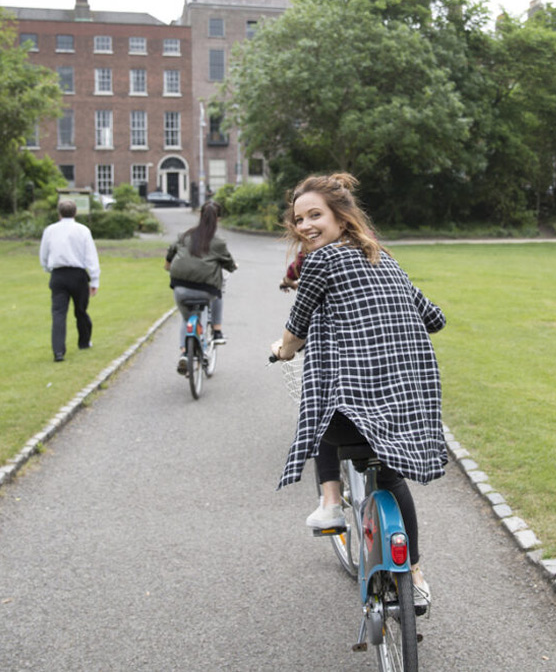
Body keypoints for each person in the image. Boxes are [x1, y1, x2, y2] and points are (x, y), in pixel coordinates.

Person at [270, 173, 446, 608]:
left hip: (349, 421)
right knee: (391, 478)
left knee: (322, 410)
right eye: (300, 219)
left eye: (316, 215)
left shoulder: (320, 262)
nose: (306, 225)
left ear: (341, 218)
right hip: (407, 405)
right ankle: (417, 573)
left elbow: (296, 329)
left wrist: (284, 350)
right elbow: (434, 317)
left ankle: (331, 503)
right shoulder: (383, 258)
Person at [165, 201, 237, 374]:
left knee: (186, 318)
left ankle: (184, 353)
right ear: (218, 218)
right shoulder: (218, 241)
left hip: (179, 286)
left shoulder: (184, 235)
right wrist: (233, 267)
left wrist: (170, 267)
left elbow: (169, 258)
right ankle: (217, 332)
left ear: (199, 215)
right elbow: (229, 264)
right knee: (217, 293)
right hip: (205, 289)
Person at [39, 199, 101, 362]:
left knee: (58, 313)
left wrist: (47, 268)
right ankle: (84, 341)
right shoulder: (82, 230)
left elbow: (44, 253)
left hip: (58, 275)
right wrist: (94, 280)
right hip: (77, 275)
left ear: (59, 213)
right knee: (80, 310)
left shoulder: (50, 230)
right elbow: (90, 256)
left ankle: (58, 351)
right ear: (75, 212)